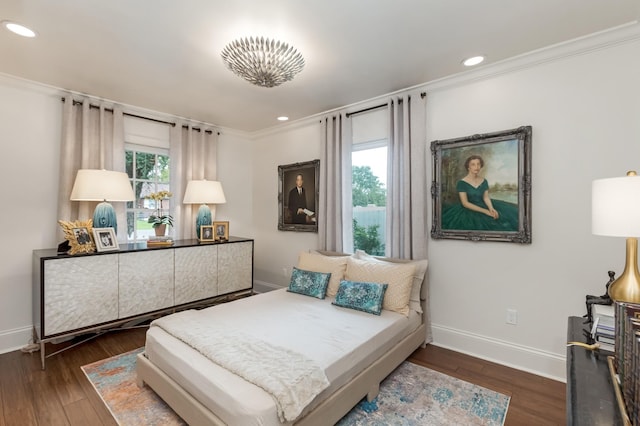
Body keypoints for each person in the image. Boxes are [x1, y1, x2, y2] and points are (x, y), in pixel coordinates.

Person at [441, 154, 519, 231]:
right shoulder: (461, 183)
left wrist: (491, 208)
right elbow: (465, 203)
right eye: (473, 165)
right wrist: (486, 211)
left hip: (484, 204)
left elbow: (485, 197)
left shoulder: (484, 181)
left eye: (478, 164)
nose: (477, 167)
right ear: (468, 167)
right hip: (468, 210)